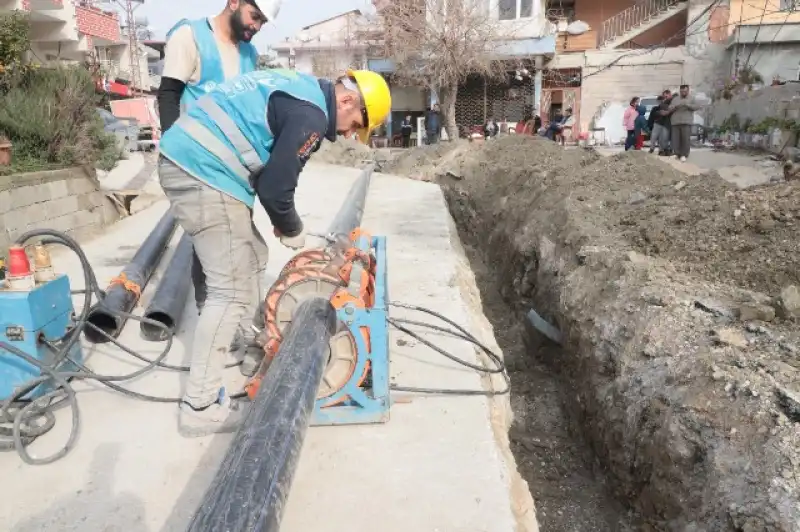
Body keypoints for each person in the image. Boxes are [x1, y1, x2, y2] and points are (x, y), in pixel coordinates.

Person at [157, 68, 391, 436]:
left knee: (253, 255)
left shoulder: (303, 90)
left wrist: (283, 221)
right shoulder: (313, 114)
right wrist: (293, 227)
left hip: (197, 162)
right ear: (346, 101)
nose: (348, 133)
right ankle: (199, 405)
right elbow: (276, 187)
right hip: (202, 169)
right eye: (355, 123)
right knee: (230, 288)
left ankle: (243, 339)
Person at [157, 0, 280, 376]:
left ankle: (240, 330)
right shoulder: (190, 37)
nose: (257, 26)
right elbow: (168, 95)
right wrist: (177, 151)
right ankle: (215, 340)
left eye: (262, 21)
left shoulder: (249, 54)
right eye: (255, 16)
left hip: (235, 170)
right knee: (211, 253)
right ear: (234, 3)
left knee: (245, 249)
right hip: (198, 164)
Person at [668, 84, 700, 162]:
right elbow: (669, 108)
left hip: (686, 121)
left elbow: (697, 107)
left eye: (685, 91)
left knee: (685, 139)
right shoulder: (675, 99)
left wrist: (687, 105)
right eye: (682, 91)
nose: (683, 93)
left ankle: (683, 154)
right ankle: (676, 153)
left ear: (688, 91)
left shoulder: (692, 98)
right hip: (675, 121)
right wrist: (674, 107)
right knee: (675, 139)